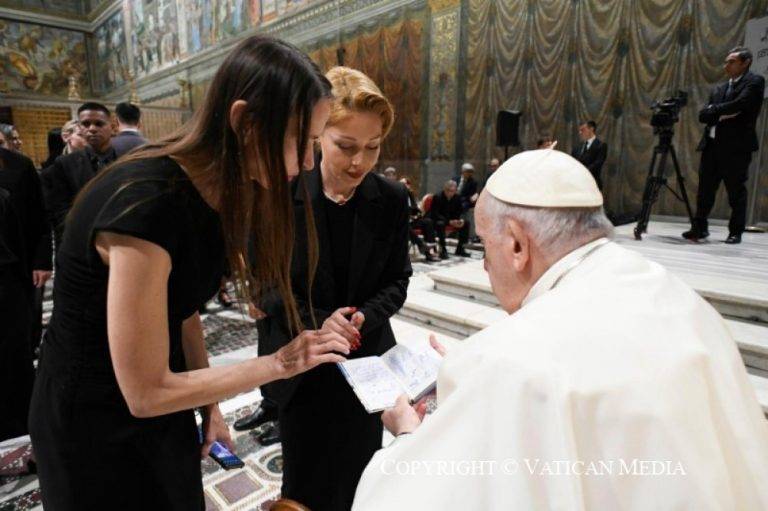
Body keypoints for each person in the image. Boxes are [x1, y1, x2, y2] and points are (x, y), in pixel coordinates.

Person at [28, 36, 348, 511]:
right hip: (92, 418)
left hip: (161, 403)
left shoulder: (217, 193)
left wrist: (209, 408)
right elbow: (144, 391)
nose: (307, 162)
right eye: (301, 142)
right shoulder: (147, 203)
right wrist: (280, 363)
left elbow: (182, 312)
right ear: (244, 122)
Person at [353, 149, 768, 510]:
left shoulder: (507, 362)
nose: (483, 264)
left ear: (516, 244)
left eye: (484, 244)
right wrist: (474, 381)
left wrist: (408, 436)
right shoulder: (675, 296)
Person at [252, 66, 412, 511]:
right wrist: (322, 324)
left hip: (364, 359)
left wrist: (361, 318)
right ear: (318, 136)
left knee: (358, 472)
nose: (359, 162)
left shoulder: (391, 199)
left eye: (372, 148)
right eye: (345, 146)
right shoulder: (278, 194)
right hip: (299, 360)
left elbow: (398, 280)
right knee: (303, 476)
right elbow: (264, 285)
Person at [683, 46, 766, 244]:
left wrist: (715, 110)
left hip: (736, 147)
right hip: (712, 145)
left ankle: (735, 232)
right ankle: (699, 228)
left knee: (735, 191)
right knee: (704, 191)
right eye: (726, 61)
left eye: (732, 61)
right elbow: (703, 115)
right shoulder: (719, 88)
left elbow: (741, 104)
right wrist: (719, 112)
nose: (726, 65)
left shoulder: (754, 81)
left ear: (745, 63)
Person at [0, 147, 51, 441]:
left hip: (10, 273)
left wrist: (41, 260)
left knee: (14, 353)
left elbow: (36, 215)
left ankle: (20, 428)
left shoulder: (17, 164)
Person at [41, 102, 117, 250]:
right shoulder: (65, 164)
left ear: (112, 127)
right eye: (86, 124)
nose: (92, 129)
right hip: (81, 243)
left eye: (99, 123)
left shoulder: (127, 160)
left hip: (120, 240)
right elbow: (59, 211)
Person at [427, 180, 470, 258]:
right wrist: (449, 221)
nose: (451, 193)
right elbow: (435, 214)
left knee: (466, 223)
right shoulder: (438, 196)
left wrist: (459, 220)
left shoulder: (457, 197)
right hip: (438, 220)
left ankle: (460, 248)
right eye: (449, 191)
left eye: (453, 191)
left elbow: (459, 211)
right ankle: (443, 249)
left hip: (452, 220)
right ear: (445, 189)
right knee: (440, 224)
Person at [401, 177, 439, 263]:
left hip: (412, 220)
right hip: (402, 222)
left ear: (409, 186)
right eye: (402, 184)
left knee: (428, 222)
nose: (404, 186)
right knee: (405, 226)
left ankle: (430, 251)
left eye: (406, 184)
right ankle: (421, 245)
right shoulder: (397, 196)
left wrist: (417, 214)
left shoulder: (410, 195)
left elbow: (415, 209)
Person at [571, 120, 607, 190]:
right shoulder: (577, 147)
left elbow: (598, 163)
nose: (580, 133)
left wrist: (583, 171)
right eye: (579, 131)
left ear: (591, 129)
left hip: (592, 183)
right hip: (577, 184)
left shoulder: (601, 145)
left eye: (583, 130)